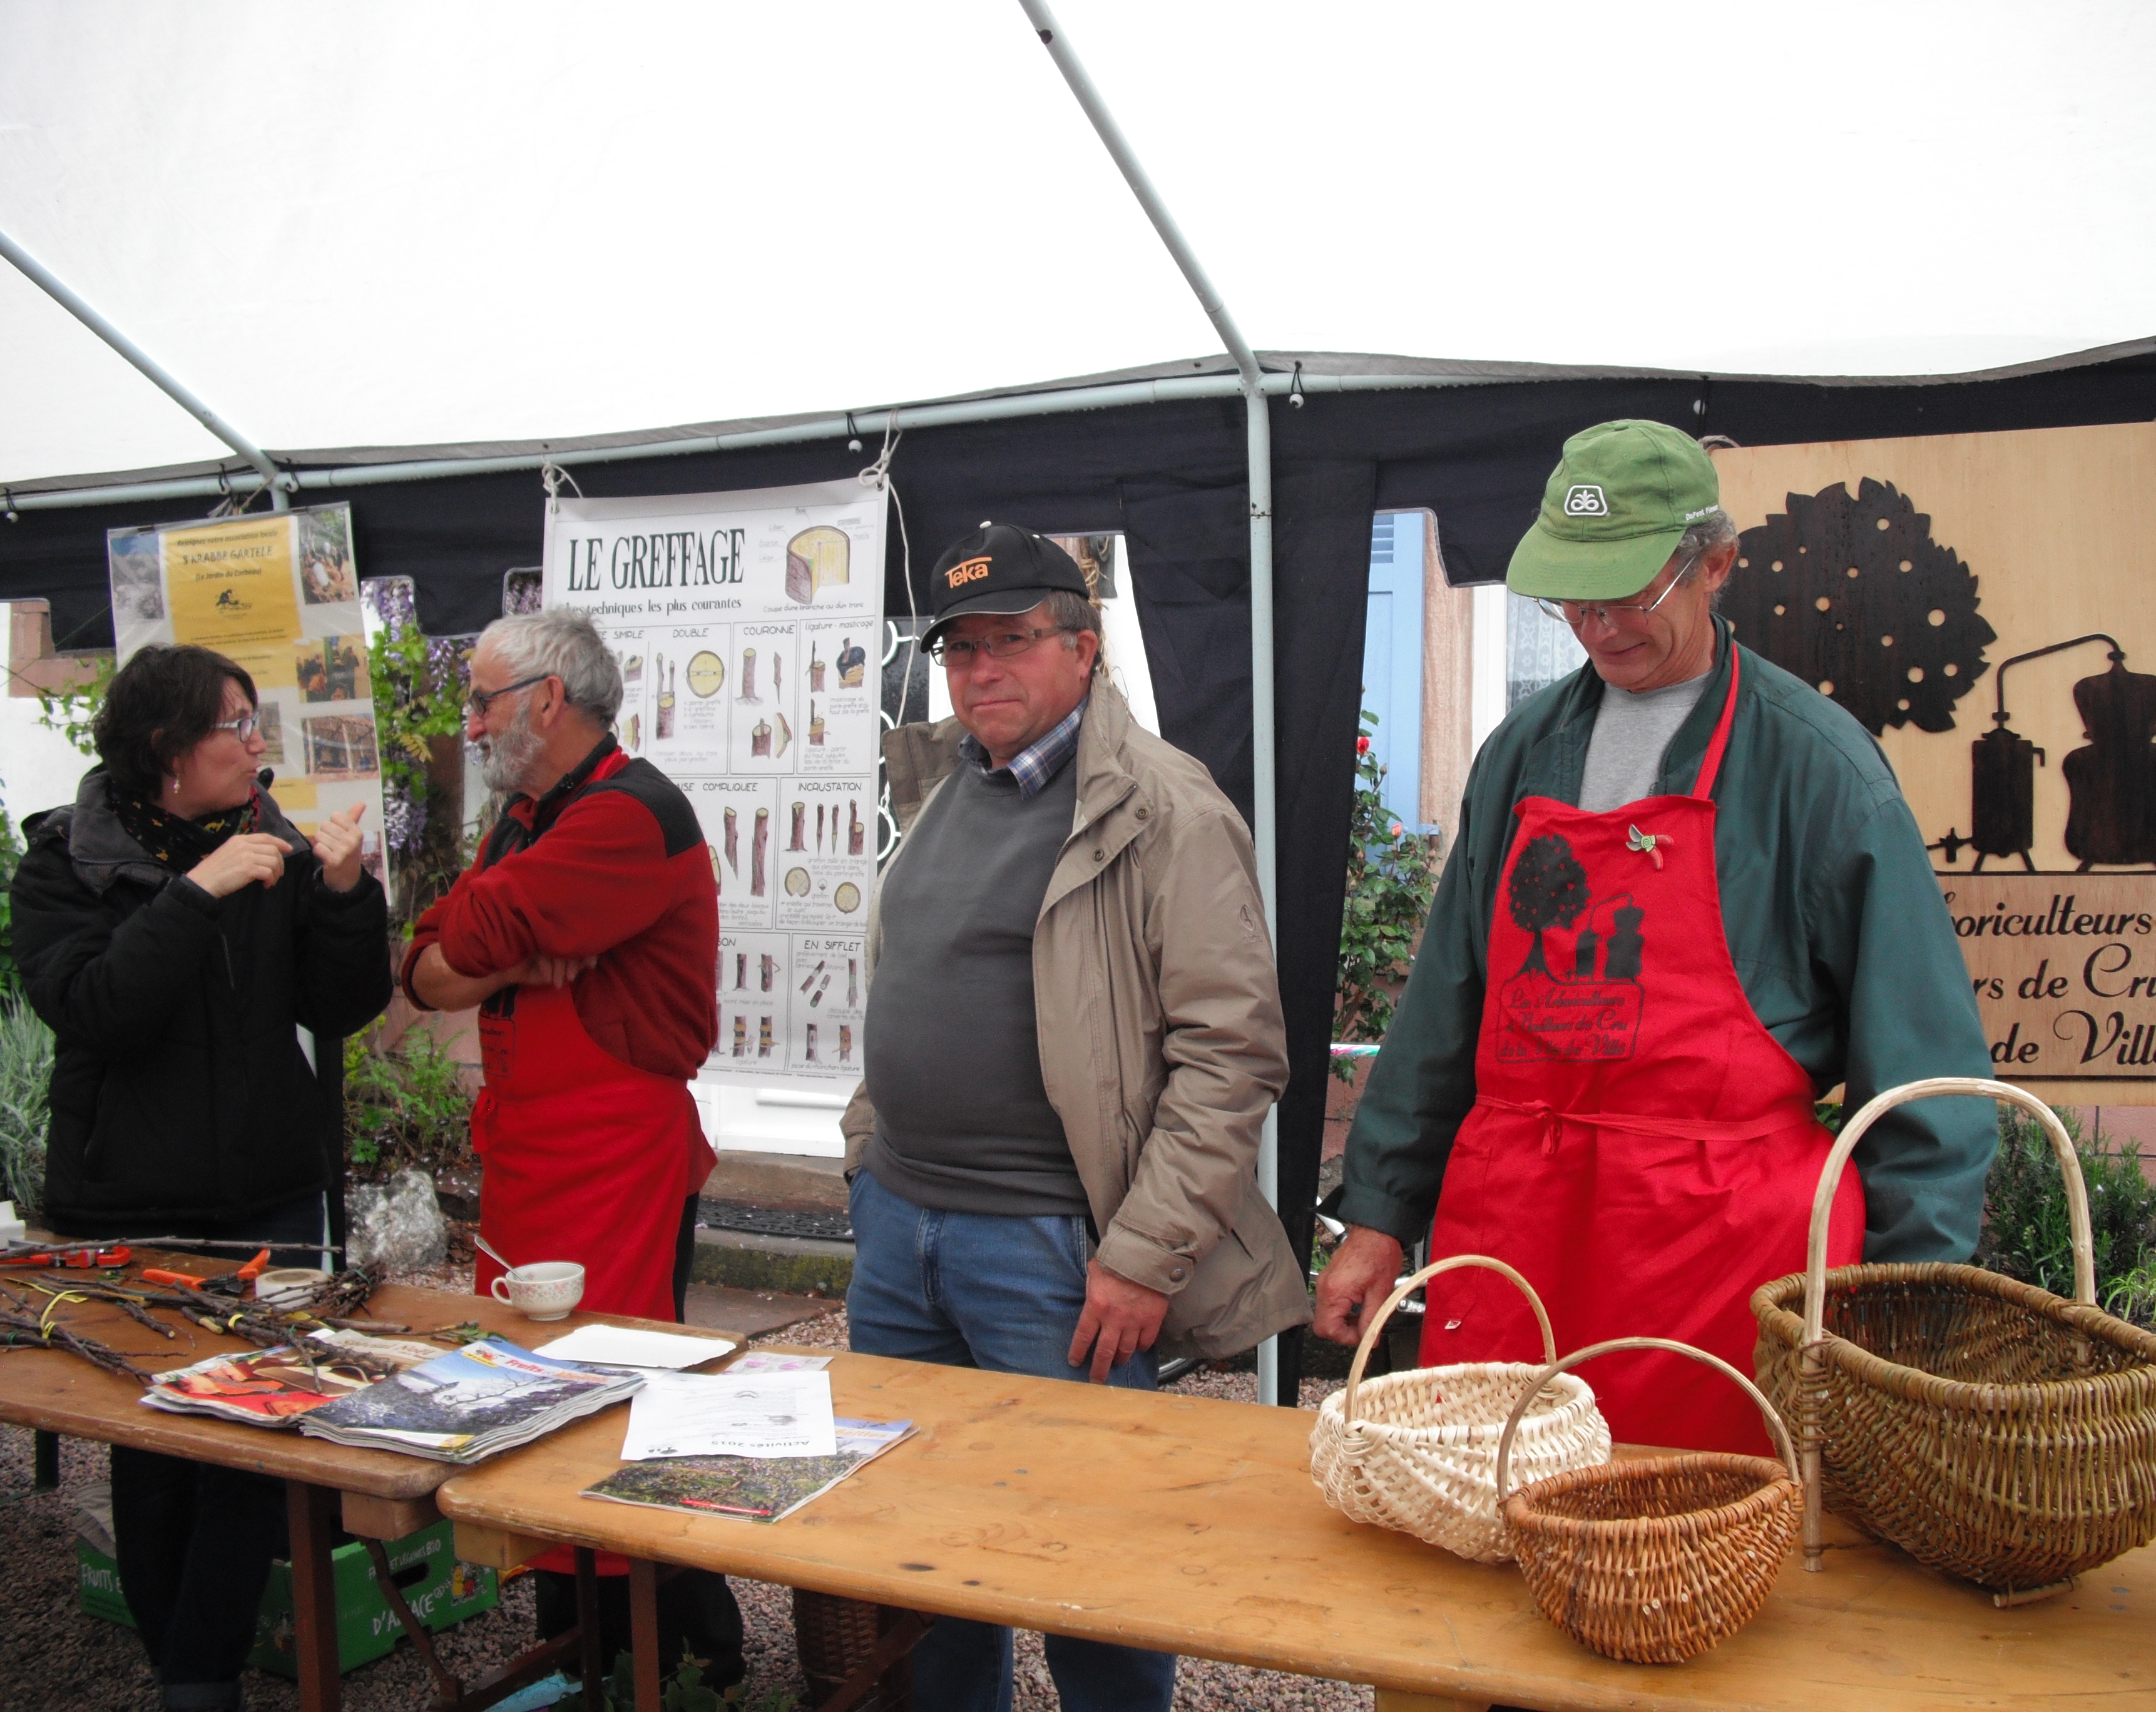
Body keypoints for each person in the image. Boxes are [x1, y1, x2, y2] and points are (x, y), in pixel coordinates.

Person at [1314, 420, 1998, 1455]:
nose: (1597, 627)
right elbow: (1447, 1004)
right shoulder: (1523, 750)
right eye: (1573, 598)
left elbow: (1925, 1070)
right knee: (1489, 1503)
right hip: (1518, 1231)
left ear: (1716, 564)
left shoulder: (1818, 768)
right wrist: (1379, 1216)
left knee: (1703, 1525)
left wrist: (1912, 1301)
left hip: (1716, 1251)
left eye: (1627, 592)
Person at [846, 524, 1310, 1712]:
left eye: (1011, 641)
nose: (981, 669)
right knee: (919, 1541)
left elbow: (1233, 1053)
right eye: (960, 649)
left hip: (1051, 1252)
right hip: (902, 1228)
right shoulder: (945, 782)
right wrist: (866, 1161)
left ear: (1084, 647)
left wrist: (1144, 1255)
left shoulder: (1164, 808)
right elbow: (902, 976)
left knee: (1089, 1551)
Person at [11, 643, 390, 1712]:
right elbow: (95, 1009)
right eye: (237, 725)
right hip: (133, 1200)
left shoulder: (268, 841)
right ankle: (188, 1671)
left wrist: (346, 893)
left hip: (270, 1195)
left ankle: (198, 1677)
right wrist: (193, 895)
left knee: (253, 1444)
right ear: (168, 747)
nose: (258, 744)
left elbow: (339, 1004)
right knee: (156, 1454)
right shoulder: (66, 863)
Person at [400, 607, 742, 1691]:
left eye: (482, 702)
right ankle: (581, 1642)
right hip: (528, 1156)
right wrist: (504, 955)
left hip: (613, 1157)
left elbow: (466, 937)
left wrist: (482, 944)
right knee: (524, 1387)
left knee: (618, 1397)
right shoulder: (521, 820)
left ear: (548, 699)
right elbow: (426, 962)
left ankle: (666, 1649)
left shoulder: (632, 814)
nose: (469, 724)